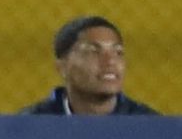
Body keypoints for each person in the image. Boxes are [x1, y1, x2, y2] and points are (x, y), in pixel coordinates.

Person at [21, 15, 158, 115]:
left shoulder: (150, 126)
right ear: (62, 67)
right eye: (94, 51)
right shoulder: (31, 126)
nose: (110, 61)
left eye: (118, 52)